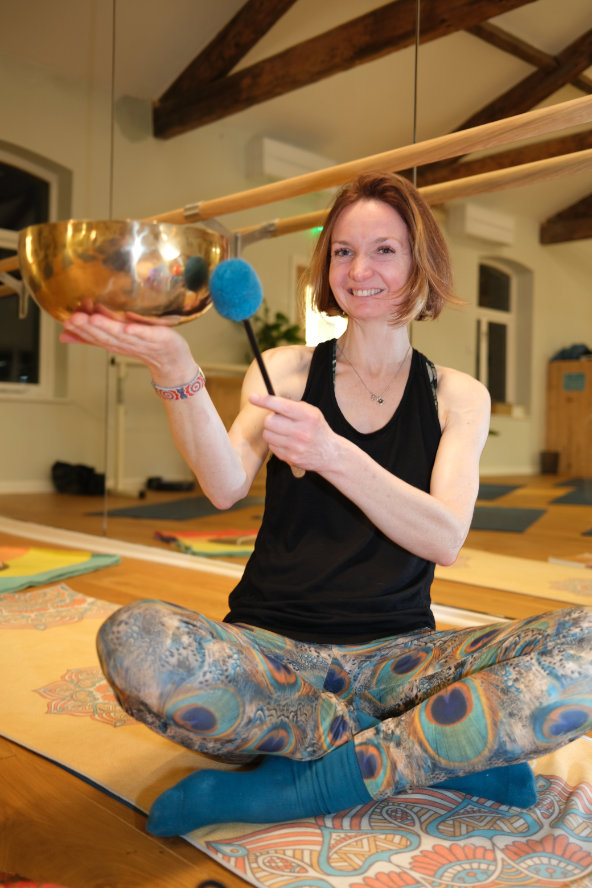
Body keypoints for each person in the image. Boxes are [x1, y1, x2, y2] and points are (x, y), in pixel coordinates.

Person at [60, 172, 592, 837]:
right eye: (342, 251)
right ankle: (443, 752)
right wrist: (174, 368)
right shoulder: (283, 368)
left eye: (384, 250)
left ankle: (310, 779)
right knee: (134, 640)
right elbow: (223, 484)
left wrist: (333, 454)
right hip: (275, 662)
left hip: (403, 665)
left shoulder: (459, 395)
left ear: (420, 263)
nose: (359, 268)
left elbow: (445, 537)